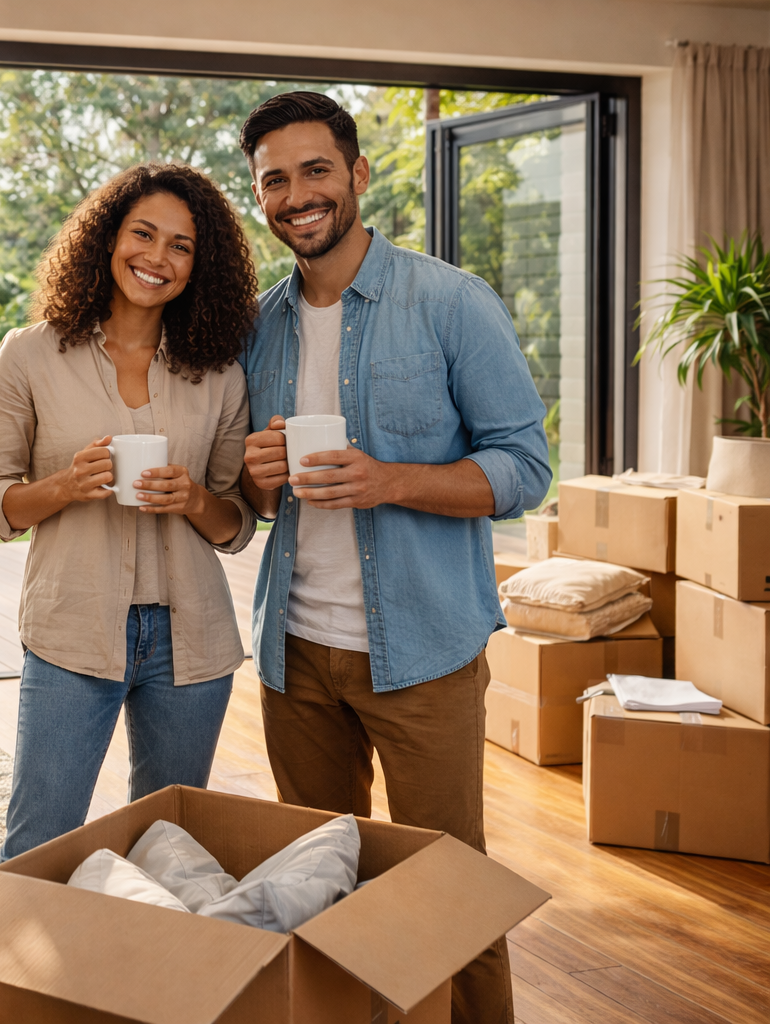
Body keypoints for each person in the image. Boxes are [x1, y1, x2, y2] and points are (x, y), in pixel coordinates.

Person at [235, 92, 551, 1024]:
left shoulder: (450, 301)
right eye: (275, 180)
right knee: (318, 886)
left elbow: (525, 468)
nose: (299, 195)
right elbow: (255, 508)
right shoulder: (261, 326)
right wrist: (256, 475)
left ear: (358, 175)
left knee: (447, 891)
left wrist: (392, 480)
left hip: (421, 651)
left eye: (316, 170)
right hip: (295, 656)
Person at [0, 164, 259, 861]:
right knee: (39, 839)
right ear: (107, 238)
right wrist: (64, 487)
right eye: (144, 234)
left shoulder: (218, 372)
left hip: (192, 639)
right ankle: (20, 973)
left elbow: (237, 524)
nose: (157, 258)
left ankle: (146, 970)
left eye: (181, 246)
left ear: (200, 265)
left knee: (170, 848)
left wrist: (192, 498)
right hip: (73, 626)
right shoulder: (32, 354)